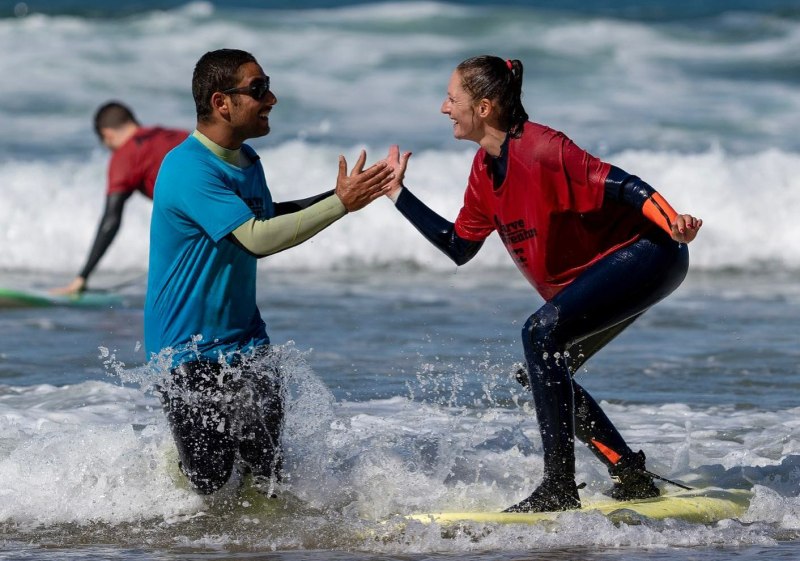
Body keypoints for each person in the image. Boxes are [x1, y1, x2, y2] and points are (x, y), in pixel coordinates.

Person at [383, 55, 702, 513]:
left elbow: (628, 187)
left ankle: (559, 487)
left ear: (486, 107)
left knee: (539, 335)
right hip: (604, 272)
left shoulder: (543, 148)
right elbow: (458, 246)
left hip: (649, 253)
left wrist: (674, 223)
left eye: (452, 99)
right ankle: (628, 472)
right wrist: (397, 193)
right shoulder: (483, 170)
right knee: (540, 368)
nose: (443, 108)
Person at [144, 48, 394, 495]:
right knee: (211, 482)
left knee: (268, 473)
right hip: (185, 351)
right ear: (222, 103)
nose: (272, 98)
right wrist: (341, 206)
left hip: (245, 340)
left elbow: (266, 215)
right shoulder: (187, 168)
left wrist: (340, 194)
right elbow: (256, 238)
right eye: (258, 90)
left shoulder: (246, 160)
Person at [52, 102, 188, 295]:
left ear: (107, 135)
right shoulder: (176, 135)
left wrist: (82, 277)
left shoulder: (126, 155)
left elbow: (111, 220)